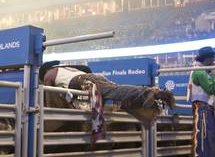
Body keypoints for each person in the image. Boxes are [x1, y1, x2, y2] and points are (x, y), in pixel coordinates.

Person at [39, 61, 175, 143]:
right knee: (116, 91)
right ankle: (148, 94)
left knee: (116, 92)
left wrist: (49, 115)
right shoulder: (65, 69)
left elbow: (50, 95)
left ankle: (151, 92)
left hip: (83, 81)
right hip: (91, 78)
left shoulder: (49, 74)